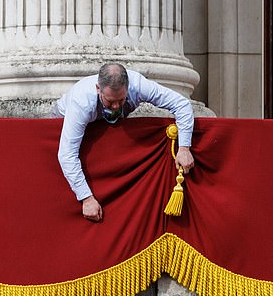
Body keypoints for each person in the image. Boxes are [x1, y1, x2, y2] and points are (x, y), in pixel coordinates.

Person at [52, 63, 195, 222]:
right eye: (110, 101)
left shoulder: (139, 85)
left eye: (121, 100)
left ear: (128, 87)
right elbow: (67, 154)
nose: (115, 106)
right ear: (98, 88)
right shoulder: (81, 100)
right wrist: (86, 198)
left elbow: (182, 105)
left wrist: (183, 148)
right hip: (61, 124)